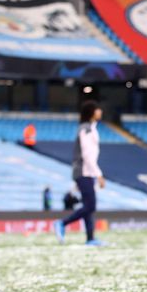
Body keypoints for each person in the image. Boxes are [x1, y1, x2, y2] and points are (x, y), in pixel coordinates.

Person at [54, 101, 106, 246]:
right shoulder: (86, 130)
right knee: (91, 206)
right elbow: (87, 155)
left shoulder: (91, 128)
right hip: (83, 171)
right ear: (91, 112)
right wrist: (99, 175)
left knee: (88, 205)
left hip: (87, 172)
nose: (100, 111)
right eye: (98, 109)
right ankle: (62, 223)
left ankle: (90, 239)